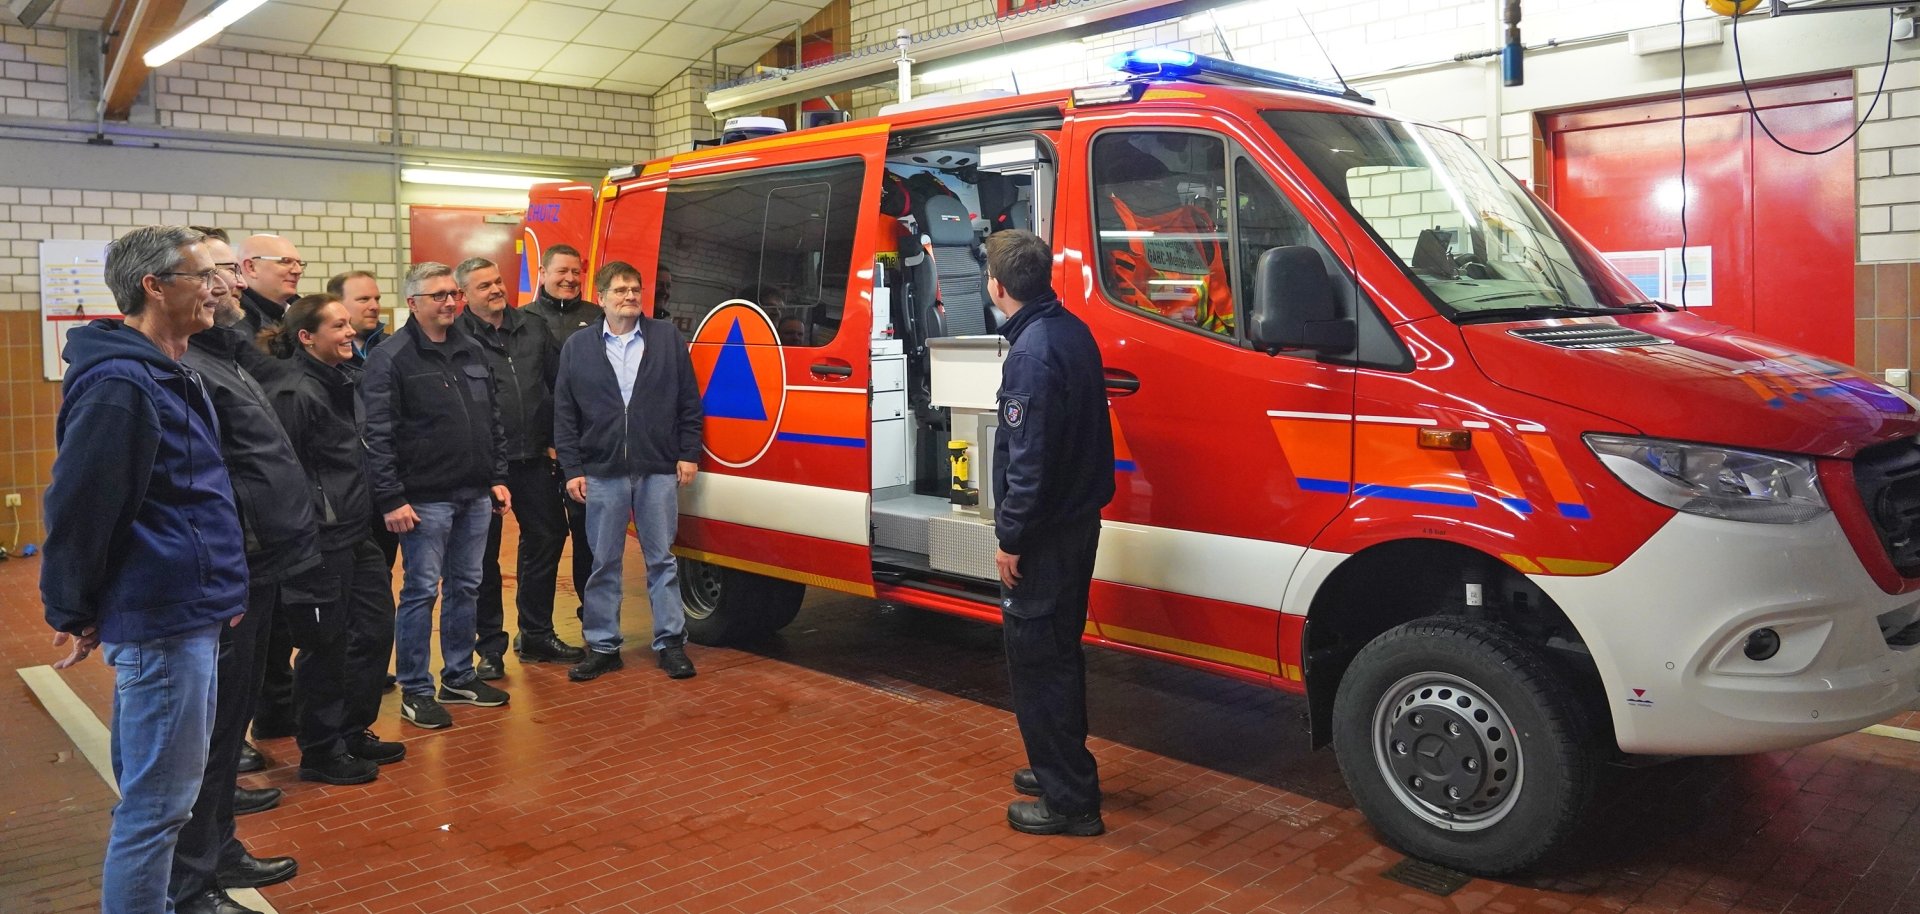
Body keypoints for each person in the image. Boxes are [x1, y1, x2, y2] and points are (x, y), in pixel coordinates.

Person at [41, 225, 250, 914]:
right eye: (201, 276)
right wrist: (73, 608)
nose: (217, 287)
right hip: (163, 622)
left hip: (187, 611)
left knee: (158, 800)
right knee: (159, 808)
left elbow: (186, 501)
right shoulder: (122, 384)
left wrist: (221, 590)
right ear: (154, 287)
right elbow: (82, 507)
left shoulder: (170, 369)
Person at [169, 229, 315, 914]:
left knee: (229, 728)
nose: (226, 285)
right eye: (216, 273)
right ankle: (192, 882)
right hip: (226, 569)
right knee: (205, 734)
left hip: (256, 563)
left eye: (229, 272)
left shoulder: (227, 354)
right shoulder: (186, 361)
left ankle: (219, 849)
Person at [984, 230, 1115, 837]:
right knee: (1060, 652)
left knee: (1037, 661)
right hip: (1076, 525)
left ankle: (1068, 801)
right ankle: (1062, 766)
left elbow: (1028, 461)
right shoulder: (1071, 331)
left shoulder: (1031, 353)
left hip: (1043, 537)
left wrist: (1010, 536)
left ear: (998, 287)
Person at [362, 262, 513, 729]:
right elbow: (377, 435)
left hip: (474, 494)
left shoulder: (471, 349)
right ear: (412, 303)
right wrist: (390, 498)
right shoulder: (391, 357)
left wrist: (497, 475)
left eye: (453, 294)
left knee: (467, 586)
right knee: (421, 591)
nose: (450, 302)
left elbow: (492, 421)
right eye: (438, 295)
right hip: (423, 500)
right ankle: (415, 687)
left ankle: (459, 675)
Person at [263, 296, 408, 771]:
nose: (350, 332)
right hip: (321, 539)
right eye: (338, 326)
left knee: (373, 627)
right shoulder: (296, 392)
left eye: (349, 324)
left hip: (355, 530)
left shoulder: (344, 379)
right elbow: (286, 475)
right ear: (307, 337)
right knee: (326, 644)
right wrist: (307, 532)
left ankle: (351, 729)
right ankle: (321, 749)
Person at [553, 261, 702, 682]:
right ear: (601, 298)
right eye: (620, 290)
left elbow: (689, 401)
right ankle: (603, 646)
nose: (630, 296)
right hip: (601, 470)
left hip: (657, 468)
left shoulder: (667, 339)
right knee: (604, 562)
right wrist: (572, 468)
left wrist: (688, 453)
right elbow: (564, 413)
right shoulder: (578, 347)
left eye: (635, 289)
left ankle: (671, 643)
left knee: (662, 560)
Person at [454, 256, 584, 675]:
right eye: (483, 286)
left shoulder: (532, 326)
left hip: (532, 458)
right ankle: (490, 648)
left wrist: (555, 441)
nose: (494, 290)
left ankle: (536, 634)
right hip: (481, 466)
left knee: (547, 536)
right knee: (482, 555)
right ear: (464, 296)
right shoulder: (454, 337)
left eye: (497, 282)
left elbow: (559, 385)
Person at [235, 234, 305, 741]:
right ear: (247, 267)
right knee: (251, 622)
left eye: (298, 261)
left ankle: (278, 709)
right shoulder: (238, 327)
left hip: (291, 483)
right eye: (284, 261)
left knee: (280, 613)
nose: (295, 268)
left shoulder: (292, 316)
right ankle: (235, 735)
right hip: (255, 488)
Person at [521, 244, 602, 614]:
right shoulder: (520, 321)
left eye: (576, 272)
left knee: (591, 539)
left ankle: (595, 618)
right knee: (541, 541)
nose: (570, 279)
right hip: (538, 454)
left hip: (588, 450)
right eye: (561, 271)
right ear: (541, 272)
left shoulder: (600, 318)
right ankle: (535, 628)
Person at [327, 270, 388, 366]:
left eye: (377, 299)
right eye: (364, 299)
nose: (375, 306)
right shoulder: (324, 351)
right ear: (337, 303)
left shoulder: (391, 346)